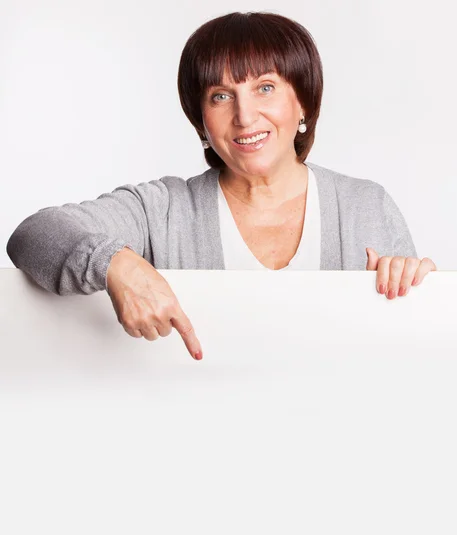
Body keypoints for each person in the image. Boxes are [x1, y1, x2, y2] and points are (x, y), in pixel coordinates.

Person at [6, 11, 436, 361]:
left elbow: (416, 361)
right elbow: (33, 234)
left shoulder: (365, 206)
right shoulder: (163, 210)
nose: (245, 116)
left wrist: (420, 292)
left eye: (265, 87)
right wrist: (115, 263)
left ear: (302, 100)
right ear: (201, 121)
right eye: (220, 95)